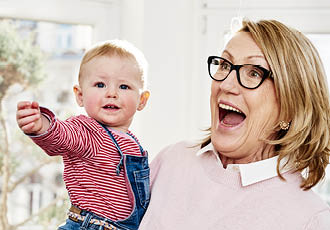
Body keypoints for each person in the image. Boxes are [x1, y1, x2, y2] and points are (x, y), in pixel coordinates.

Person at [139, 19, 330, 229]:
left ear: (290, 107)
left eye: (254, 73)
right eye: (224, 65)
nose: (226, 84)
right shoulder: (172, 160)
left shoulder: (309, 219)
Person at [16, 40, 151, 230]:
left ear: (142, 100)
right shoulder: (87, 131)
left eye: (124, 87)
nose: (111, 93)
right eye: (100, 84)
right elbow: (61, 135)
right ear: (80, 95)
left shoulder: (132, 143)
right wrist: (41, 125)